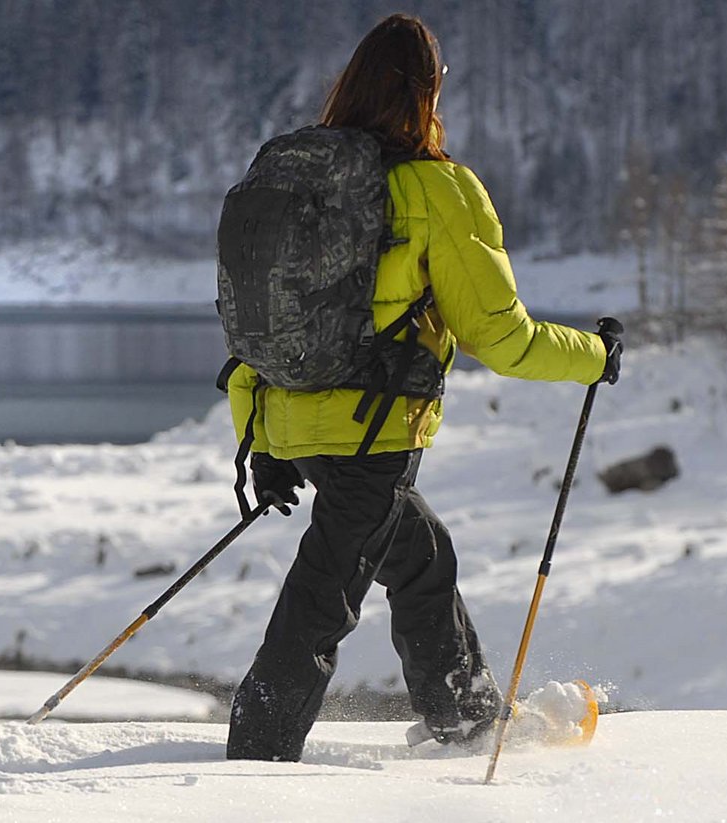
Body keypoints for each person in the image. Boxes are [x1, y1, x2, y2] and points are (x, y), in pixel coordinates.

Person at [221, 14, 624, 762]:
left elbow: (254, 322)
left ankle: (464, 720)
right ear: (428, 94)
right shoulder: (438, 190)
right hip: (373, 434)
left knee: (422, 554)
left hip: (299, 424)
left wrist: (264, 440)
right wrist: (593, 356)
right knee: (321, 600)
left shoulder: (296, 178)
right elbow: (502, 337)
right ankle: (252, 763)